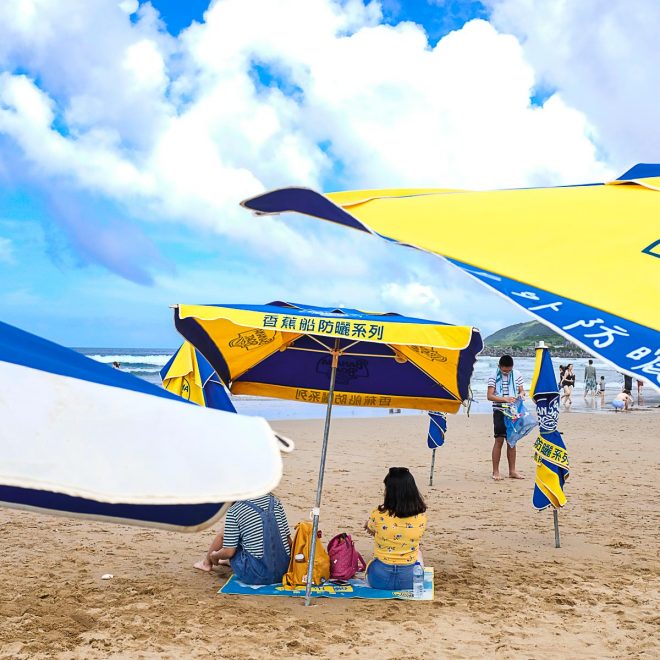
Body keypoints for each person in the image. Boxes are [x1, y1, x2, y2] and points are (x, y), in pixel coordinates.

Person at [193, 493, 291, 585]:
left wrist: (215, 556)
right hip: (283, 571)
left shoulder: (235, 510)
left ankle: (206, 563)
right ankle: (226, 561)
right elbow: (289, 542)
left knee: (226, 534)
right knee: (257, 535)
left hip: (255, 575)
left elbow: (228, 552)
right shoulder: (274, 501)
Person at [363, 467, 427, 590]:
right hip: (409, 581)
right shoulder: (421, 516)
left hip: (378, 579)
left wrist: (371, 526)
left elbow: (370, 528)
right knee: (418, 551)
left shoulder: (378, 514)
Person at [486, 355, 525, 480]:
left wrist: (521, 395)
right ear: (499, 367)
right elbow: (490, 396)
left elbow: (521, 390)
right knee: (499, 440)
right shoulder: (493, 375)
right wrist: (504, 399)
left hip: (513, 410)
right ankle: (495, 471)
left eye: (509, 370)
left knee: (512, 441)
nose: (507, 373)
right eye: (504, 371)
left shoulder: (517, 374)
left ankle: (512, 471)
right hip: (499, 410)